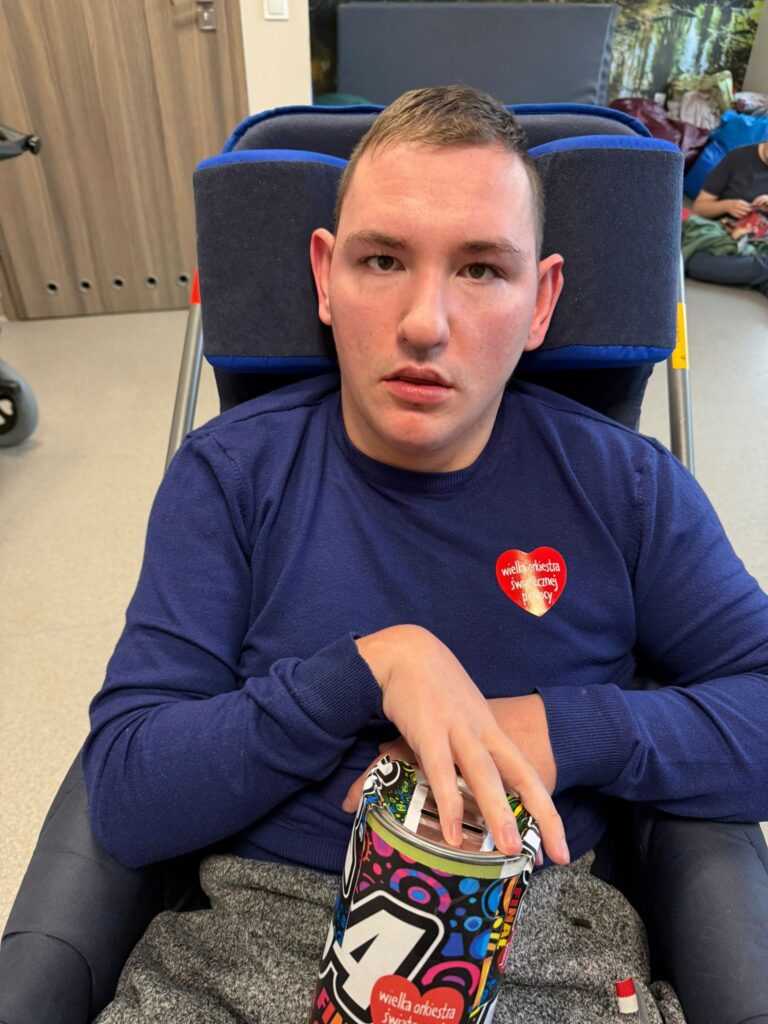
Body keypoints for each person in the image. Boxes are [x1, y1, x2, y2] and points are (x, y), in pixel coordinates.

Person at [83, 86, 768, 1024]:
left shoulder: (627, 487)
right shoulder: (231, 477)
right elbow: (127, 794)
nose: (423, 324)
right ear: (325, 278)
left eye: (481, 269)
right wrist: (365, 671)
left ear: (542, 302)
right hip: (252, 946)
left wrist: (564, 730)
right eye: (382, 260)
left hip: (539, 946)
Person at [685, 140, 768, 297]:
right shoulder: (738, 157)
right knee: (696, 259)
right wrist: (727, 206)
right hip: (721, 240)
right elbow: (699, 208)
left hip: (758, 245)